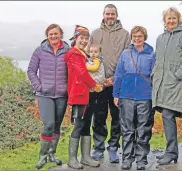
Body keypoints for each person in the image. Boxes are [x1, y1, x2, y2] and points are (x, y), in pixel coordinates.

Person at [151, 7, 182, 165]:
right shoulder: (160, 38)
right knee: (165, 116)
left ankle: (170, 152)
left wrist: (177, 75)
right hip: (161, 84)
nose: (171, 21)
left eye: (173, 18)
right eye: (168, 18)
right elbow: (158, 61)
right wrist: (153, 76)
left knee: (168, 115)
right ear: (164, 20)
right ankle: (171, 152)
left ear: (178, 19)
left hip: (175, 84)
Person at [89, 3, 131, 163]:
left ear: (117, 15)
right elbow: (89, 58)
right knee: (99, 117)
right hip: (98, 85)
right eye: (108, 14)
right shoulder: (95, 33)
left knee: (117, 117)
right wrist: (98, 80)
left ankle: (113, 147)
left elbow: (127, 59)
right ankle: (98, 148)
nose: (110, 17)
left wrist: (113, 79)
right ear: (103, 14)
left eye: (113, 14)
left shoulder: (125, 34)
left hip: (117, 84)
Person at [27, 24, 70, 169]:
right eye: (50, 34)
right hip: (44, 94)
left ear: (61, 35)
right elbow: (31, 71)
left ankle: (52, 154)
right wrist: (39, 87)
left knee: (57, 125)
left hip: (62, 95)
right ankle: (43, 156)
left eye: (56, 34)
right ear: (47, 35)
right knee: (49, 124)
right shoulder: (40, 51)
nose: (53, 36)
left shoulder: (68, 51)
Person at [113, 26, 156, 170]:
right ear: (131, 37)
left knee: (144, 129)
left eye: (140, 36)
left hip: (145, 96)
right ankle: (127, 159)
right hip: (126, 96)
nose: (137, 39)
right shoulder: (125, 54)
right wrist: (116, 94)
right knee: (127, 129)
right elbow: (118, 74)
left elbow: (155, 77)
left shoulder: (152, 54)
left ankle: (141, 160)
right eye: (134, 36)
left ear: (145, 37)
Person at [65, 25, 103, 169]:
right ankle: (72, 159)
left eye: (87, 38)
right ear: (75, 38)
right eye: (82, 37)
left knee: (87, 125)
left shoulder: (83, 54)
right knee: (79, 125)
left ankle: (86, 157)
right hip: (79, 95)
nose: (84, 40)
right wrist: (95, 85)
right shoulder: (73, 54)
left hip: (87, 95)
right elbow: (82, 72)